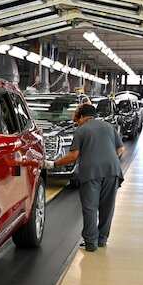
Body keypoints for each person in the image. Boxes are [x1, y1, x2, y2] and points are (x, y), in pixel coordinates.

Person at [44, 103, 125, 252]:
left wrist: (53, 164)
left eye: (76, 116)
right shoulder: (108, 127)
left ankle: (90, 243)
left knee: (90, 207)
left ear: (81, 116)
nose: (75, 120)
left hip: (91, 172)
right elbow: (121, 149)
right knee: (107, 207)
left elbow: (73, 156)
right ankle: (102, 240)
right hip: (112, 170)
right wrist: (108, 158)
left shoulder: (81, 130)